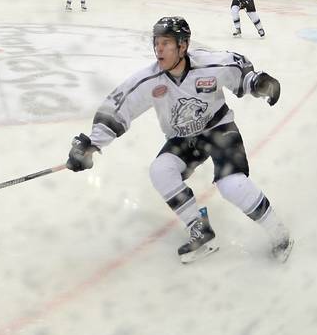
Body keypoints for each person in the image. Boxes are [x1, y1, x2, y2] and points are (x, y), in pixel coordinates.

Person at [65, 16, 293, 264]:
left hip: (218, 129)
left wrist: (258, 82)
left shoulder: (209, 65)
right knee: (160, 171)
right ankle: (199, 228)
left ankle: (279, 233)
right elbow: (118, 108)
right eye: (157, 43)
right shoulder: (148, 80)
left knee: (232, 185)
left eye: (166, 43)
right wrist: (91, 144)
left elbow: (239, 69)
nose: (159, 49)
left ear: (183, 46)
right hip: (182, 138)